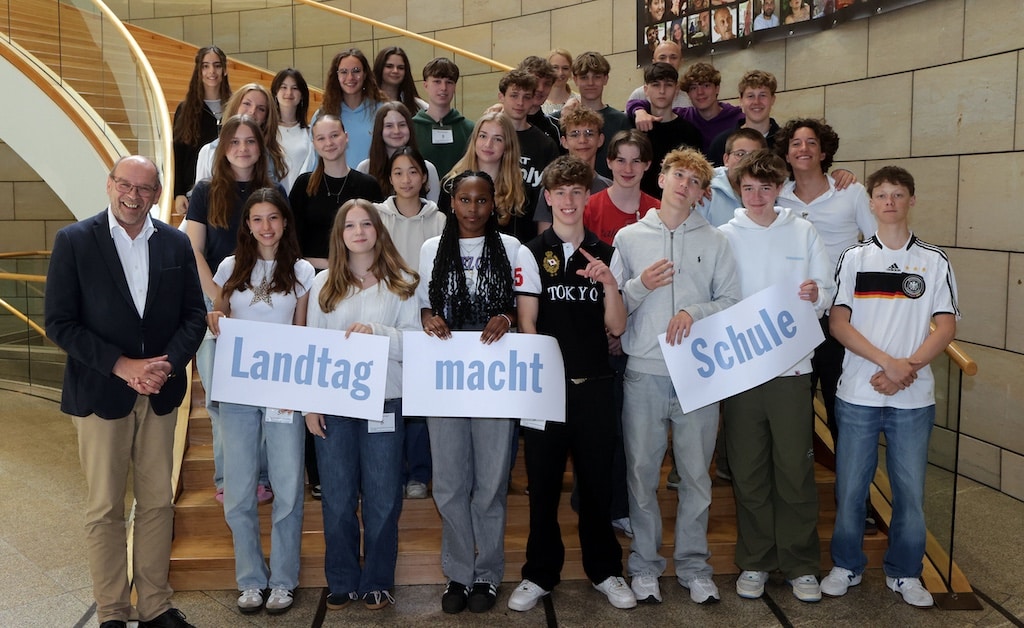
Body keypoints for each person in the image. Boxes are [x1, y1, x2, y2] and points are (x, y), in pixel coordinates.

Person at [45, 155, 206, 628]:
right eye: (125, 185)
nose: (133, 196)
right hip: (100, 393)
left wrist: (164, 365)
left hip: (159, 394)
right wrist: (122, 365)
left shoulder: (176, 244)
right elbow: (60, 322)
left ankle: (155, 604)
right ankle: (113, 611)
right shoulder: (74, 241)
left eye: (144, 188)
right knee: (105, 507)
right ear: (110, 185)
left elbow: (194, 316)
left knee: (157, 502)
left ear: (157, 194)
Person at [821, 166, 959, 609]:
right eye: (881, 195)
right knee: (851, 488)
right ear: (872, 202)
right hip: (858, 393)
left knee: (910, 493)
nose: (889, 202)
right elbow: (838, 324)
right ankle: (846, 565)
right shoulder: (854, 258)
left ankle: (905, 572)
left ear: (911, 200)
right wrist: (888, 364)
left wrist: (908, 367)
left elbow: (946, 325)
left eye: (898, 195)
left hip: (913, 400)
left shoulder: (934, 260)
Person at [613, 148, 741, 606]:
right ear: (661, 178)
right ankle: (644, 566)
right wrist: (640, 284)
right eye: (678, 175)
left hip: (698, 374)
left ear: (701, 194)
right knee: (642, 473)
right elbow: (613, 310)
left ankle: (693, 566)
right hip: (643, 372)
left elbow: (730, 301)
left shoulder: (716, 240)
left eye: (694, 181)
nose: (684, 184)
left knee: (695, 476)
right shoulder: (629, 238)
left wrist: (695, 310)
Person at [509, 155, 635, 612]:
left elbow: (617, 328)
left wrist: (609, 286)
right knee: (542, 486)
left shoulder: (607, 251)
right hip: (546, 389)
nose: (568, 200)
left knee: (597, 485)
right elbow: (527, 323)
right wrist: (542, 381)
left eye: (576, 192)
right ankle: (540, 574)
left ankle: (605, 570)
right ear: (548, 197)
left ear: (587, 197)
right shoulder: (530, 250)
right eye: (559, 192)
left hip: (596, 386)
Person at [718, 150, 834, 603]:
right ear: (738, 190)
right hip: (742, 371)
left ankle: (802, 563)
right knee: (748, 472)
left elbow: (824, 288)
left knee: (794, 469)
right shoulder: (725, 235)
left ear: (780, 187)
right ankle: (756, 560)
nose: (758, 195)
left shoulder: (802, 229)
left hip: (792, 369)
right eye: (749, 188)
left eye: (766, 187)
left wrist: (815, 291)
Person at [304, 199, 421, 611]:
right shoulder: (322, 284)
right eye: (349, 225)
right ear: (340, 234)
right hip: (334, 406)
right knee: (336, 498)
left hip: (385, 403)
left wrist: (377, 331)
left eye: (365, 224)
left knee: (383, 498)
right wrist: (309, 405)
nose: (358, 232)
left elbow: (415, 344)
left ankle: (377, 580)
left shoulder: (404, 280)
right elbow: (314, 349)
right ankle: (341, 579)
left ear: (378, 229)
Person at [417, 171, 521, 614]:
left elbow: (527, 307)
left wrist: (509, 318)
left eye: (481, 200)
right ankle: (458, 573)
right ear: (452, 203)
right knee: (450, 483)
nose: (473, 209)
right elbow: (420, 301)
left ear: (493, 203)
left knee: (491, 484)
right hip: (446, 380)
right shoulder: (430, 249)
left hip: (496, 380)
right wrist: (425, 315)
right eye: (465, 200)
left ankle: (488, 574)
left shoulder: (513, 249)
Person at [206, 188, 314, 615]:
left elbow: (302, 332)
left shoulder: (303, 270)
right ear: (247, 225)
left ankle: (284, 580)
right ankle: (250, 579)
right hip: (238, 393)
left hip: (283, 392)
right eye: (257, 219)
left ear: (285, 222)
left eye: (273, 217)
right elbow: (217, 319)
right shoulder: (230, 267)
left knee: (287, 486)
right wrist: (214, 319)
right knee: (238, 489)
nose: (265, 226)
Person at [186, 114, 282, 504]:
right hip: (215, 307)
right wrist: (218, 296)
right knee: (220, 398)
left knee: (261, 396)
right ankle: (227, 476)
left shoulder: (272, 191)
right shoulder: (205, 191)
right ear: (223, 148)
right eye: (234, 142)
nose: (243, 148)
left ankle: (260, 476)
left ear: (261, 148)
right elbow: (192, 248)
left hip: (264, 309)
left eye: (250, 141)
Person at [774, 118, 875, 456]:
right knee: (792, 409)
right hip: (791, 318)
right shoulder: (776, 197)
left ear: (824, 151)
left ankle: (852, 503)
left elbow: (878, 246)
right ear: (787, 154)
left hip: (839, 317)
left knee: (839, 408)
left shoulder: (851, 192)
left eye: (812, 143)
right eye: (796, 144)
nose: (804, 149)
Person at [374, 146, 446, 501]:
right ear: (390, 178)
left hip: (427, 317)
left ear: (425, 178)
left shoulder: (440, 220)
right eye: (398, 172)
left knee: (418, 402)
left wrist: (427, 311)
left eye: (413, 172)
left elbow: (442, 275)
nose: (406, 179)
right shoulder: (375, 216)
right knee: (390, 397)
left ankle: (418, 473)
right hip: (386, 315)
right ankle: (391, 471)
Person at [290, 115, 385, 272]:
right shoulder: (303, 185)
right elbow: (292, 237)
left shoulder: (368, 185)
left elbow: (378, 236)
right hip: (310, 275)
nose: (329, 143)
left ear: (346, 137)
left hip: (357, 274)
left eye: (334, 135)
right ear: (313, 144)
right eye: (321, 138)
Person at [443, 112, 529, 244]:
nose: (488, 144)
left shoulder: (520, 190)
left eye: (497, 139)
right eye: (483, 136)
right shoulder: (450, 185)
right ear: (475, 140)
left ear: (508, 146)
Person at [628, 62, 744, 153]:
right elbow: (642, 104)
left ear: (717, 89)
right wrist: (639, 111)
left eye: (706, 85)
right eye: (693, 88)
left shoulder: (737, 118)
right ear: (687, 93)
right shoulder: (684, 115)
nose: (700, 92)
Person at [552, 51, 630, 179]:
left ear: (605, 79)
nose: (590, 83)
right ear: (575, 79)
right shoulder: (560, 118)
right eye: (584, 77)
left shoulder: (621, 121)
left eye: (597, 77)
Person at [172, 45, 230, 215]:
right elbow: (178, 153)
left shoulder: (235, 106)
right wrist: (178, 193)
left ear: (224, 70)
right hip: (195, 193)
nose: (212, 71)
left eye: (217, 65)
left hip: (229, 190)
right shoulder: (186, 109)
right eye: (205, 66)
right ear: (199, 71)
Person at [533, 107, 612, 231]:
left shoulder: (609, 188)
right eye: (575, 134)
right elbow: (544, 237)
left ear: (600, 140)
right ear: (564, 141)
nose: (582, 140)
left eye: (589, 133)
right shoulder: (552, 186)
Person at [194, 83, 288, 187]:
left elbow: (282, 199)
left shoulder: (276, 156)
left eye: (261, 109)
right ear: (235, 106)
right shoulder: (209, 151)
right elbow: (201, 197)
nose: (252, 111)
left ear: (266, 118)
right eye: (247, 104)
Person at [634, 62, 702, 199]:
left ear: (676, 90)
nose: (662, 91)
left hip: (677, 206)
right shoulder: (634, 127)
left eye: (668, 85)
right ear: (646, 90)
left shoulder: (690, 132)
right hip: (638, 206)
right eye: (656, 85)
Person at [497, 69, 560, 217]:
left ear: (533, 100)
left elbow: (552, 192)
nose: (520, 103)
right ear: (501, 97)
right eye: (514, 95)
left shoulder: (546, 144)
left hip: (530, 228)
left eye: (526, 97)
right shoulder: (487, 137)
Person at [584, 130, 659, 245]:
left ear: (647, 165)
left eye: (636, 161)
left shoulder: (658, 211)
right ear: (609, 162)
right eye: (620, 160)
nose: (628, 169)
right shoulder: (589, 209)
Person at [356, 101, 441, 203]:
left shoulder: (428, 169)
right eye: (389, 126)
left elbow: (433, 211)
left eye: (402, 125)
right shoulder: (365, 168)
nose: (396, 131)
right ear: (379, 130)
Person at [319, 48, 386, 168]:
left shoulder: (382, 111)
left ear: (365, 74)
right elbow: (315, 159)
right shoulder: (324, 114)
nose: (350, 77)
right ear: (336, 76)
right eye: (344, 72)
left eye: (356, 71)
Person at [412, 57, 476, 178]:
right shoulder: (411, 128)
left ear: (455, 87)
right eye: (437, 81)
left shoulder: (469, 129)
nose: (443, 88)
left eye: (449, 82)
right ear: (425, 85)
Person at [706, 70, 781, 167]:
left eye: (763, 95)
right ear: (741, 100)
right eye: (750, 96)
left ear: (773, 99)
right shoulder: (721, 142)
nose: (756, 102)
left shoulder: (784, 142)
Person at [697, 127, 768, 227]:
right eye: (740, 154)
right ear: (726, 159)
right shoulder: (706, 193)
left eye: (754, 155)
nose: (746, 160)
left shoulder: (773, 192)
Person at [271, 68, 315, 194]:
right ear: (275, 92)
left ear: (302, 95)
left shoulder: (309, 132)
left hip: (303, 198)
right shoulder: (267, 131)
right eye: (283, 87)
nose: (289, 92)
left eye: (295, 88)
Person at [625, 42, 692, 120]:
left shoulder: (689, 97)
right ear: (654, 62)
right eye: (662, 58)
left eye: (673, 57)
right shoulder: (639, 95)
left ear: (681, 62)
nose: (668, 62)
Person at [516, 55, 562, 146]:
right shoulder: (502, 123)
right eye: (535, 81)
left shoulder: (556, 128)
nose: (540, 89)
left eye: (547, 84)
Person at [373, 46, 427, 114]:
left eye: (400, 68)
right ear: (380, 68)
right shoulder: (367, 104)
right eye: (389, 66)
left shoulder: (420, 106)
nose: (395, 71)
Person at [542, 48, 574, 115]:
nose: (560, 73)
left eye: (565, 68)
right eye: (555, 68)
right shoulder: (537, 101)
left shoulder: (579, 102)